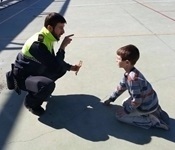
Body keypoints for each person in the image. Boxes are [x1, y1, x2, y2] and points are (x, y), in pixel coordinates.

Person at [6, 12, 82, 116]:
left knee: (61, 69)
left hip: (33, 71)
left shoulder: (47, 37)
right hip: (23, 78)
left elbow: (55, 62)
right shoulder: (37, 44)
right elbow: (54, 65)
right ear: (50, 28)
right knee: (48, 85)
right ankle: (30, 103)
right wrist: (62, 47)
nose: (63, 31)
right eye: (60, 28)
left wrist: (71, 67)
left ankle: (38, 90)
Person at [104, 44, 170, 130]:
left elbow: (137, 101)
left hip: (145, 106)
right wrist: (111, 99)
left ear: (127, 62)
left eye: (118, 59)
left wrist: (126, 111)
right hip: (151, 100)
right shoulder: (130, 73)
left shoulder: (132, 79)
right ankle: (155, 111)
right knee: (124, 103)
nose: (116, 60)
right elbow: (121, 87)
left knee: (120, 116)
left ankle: (152, 122)